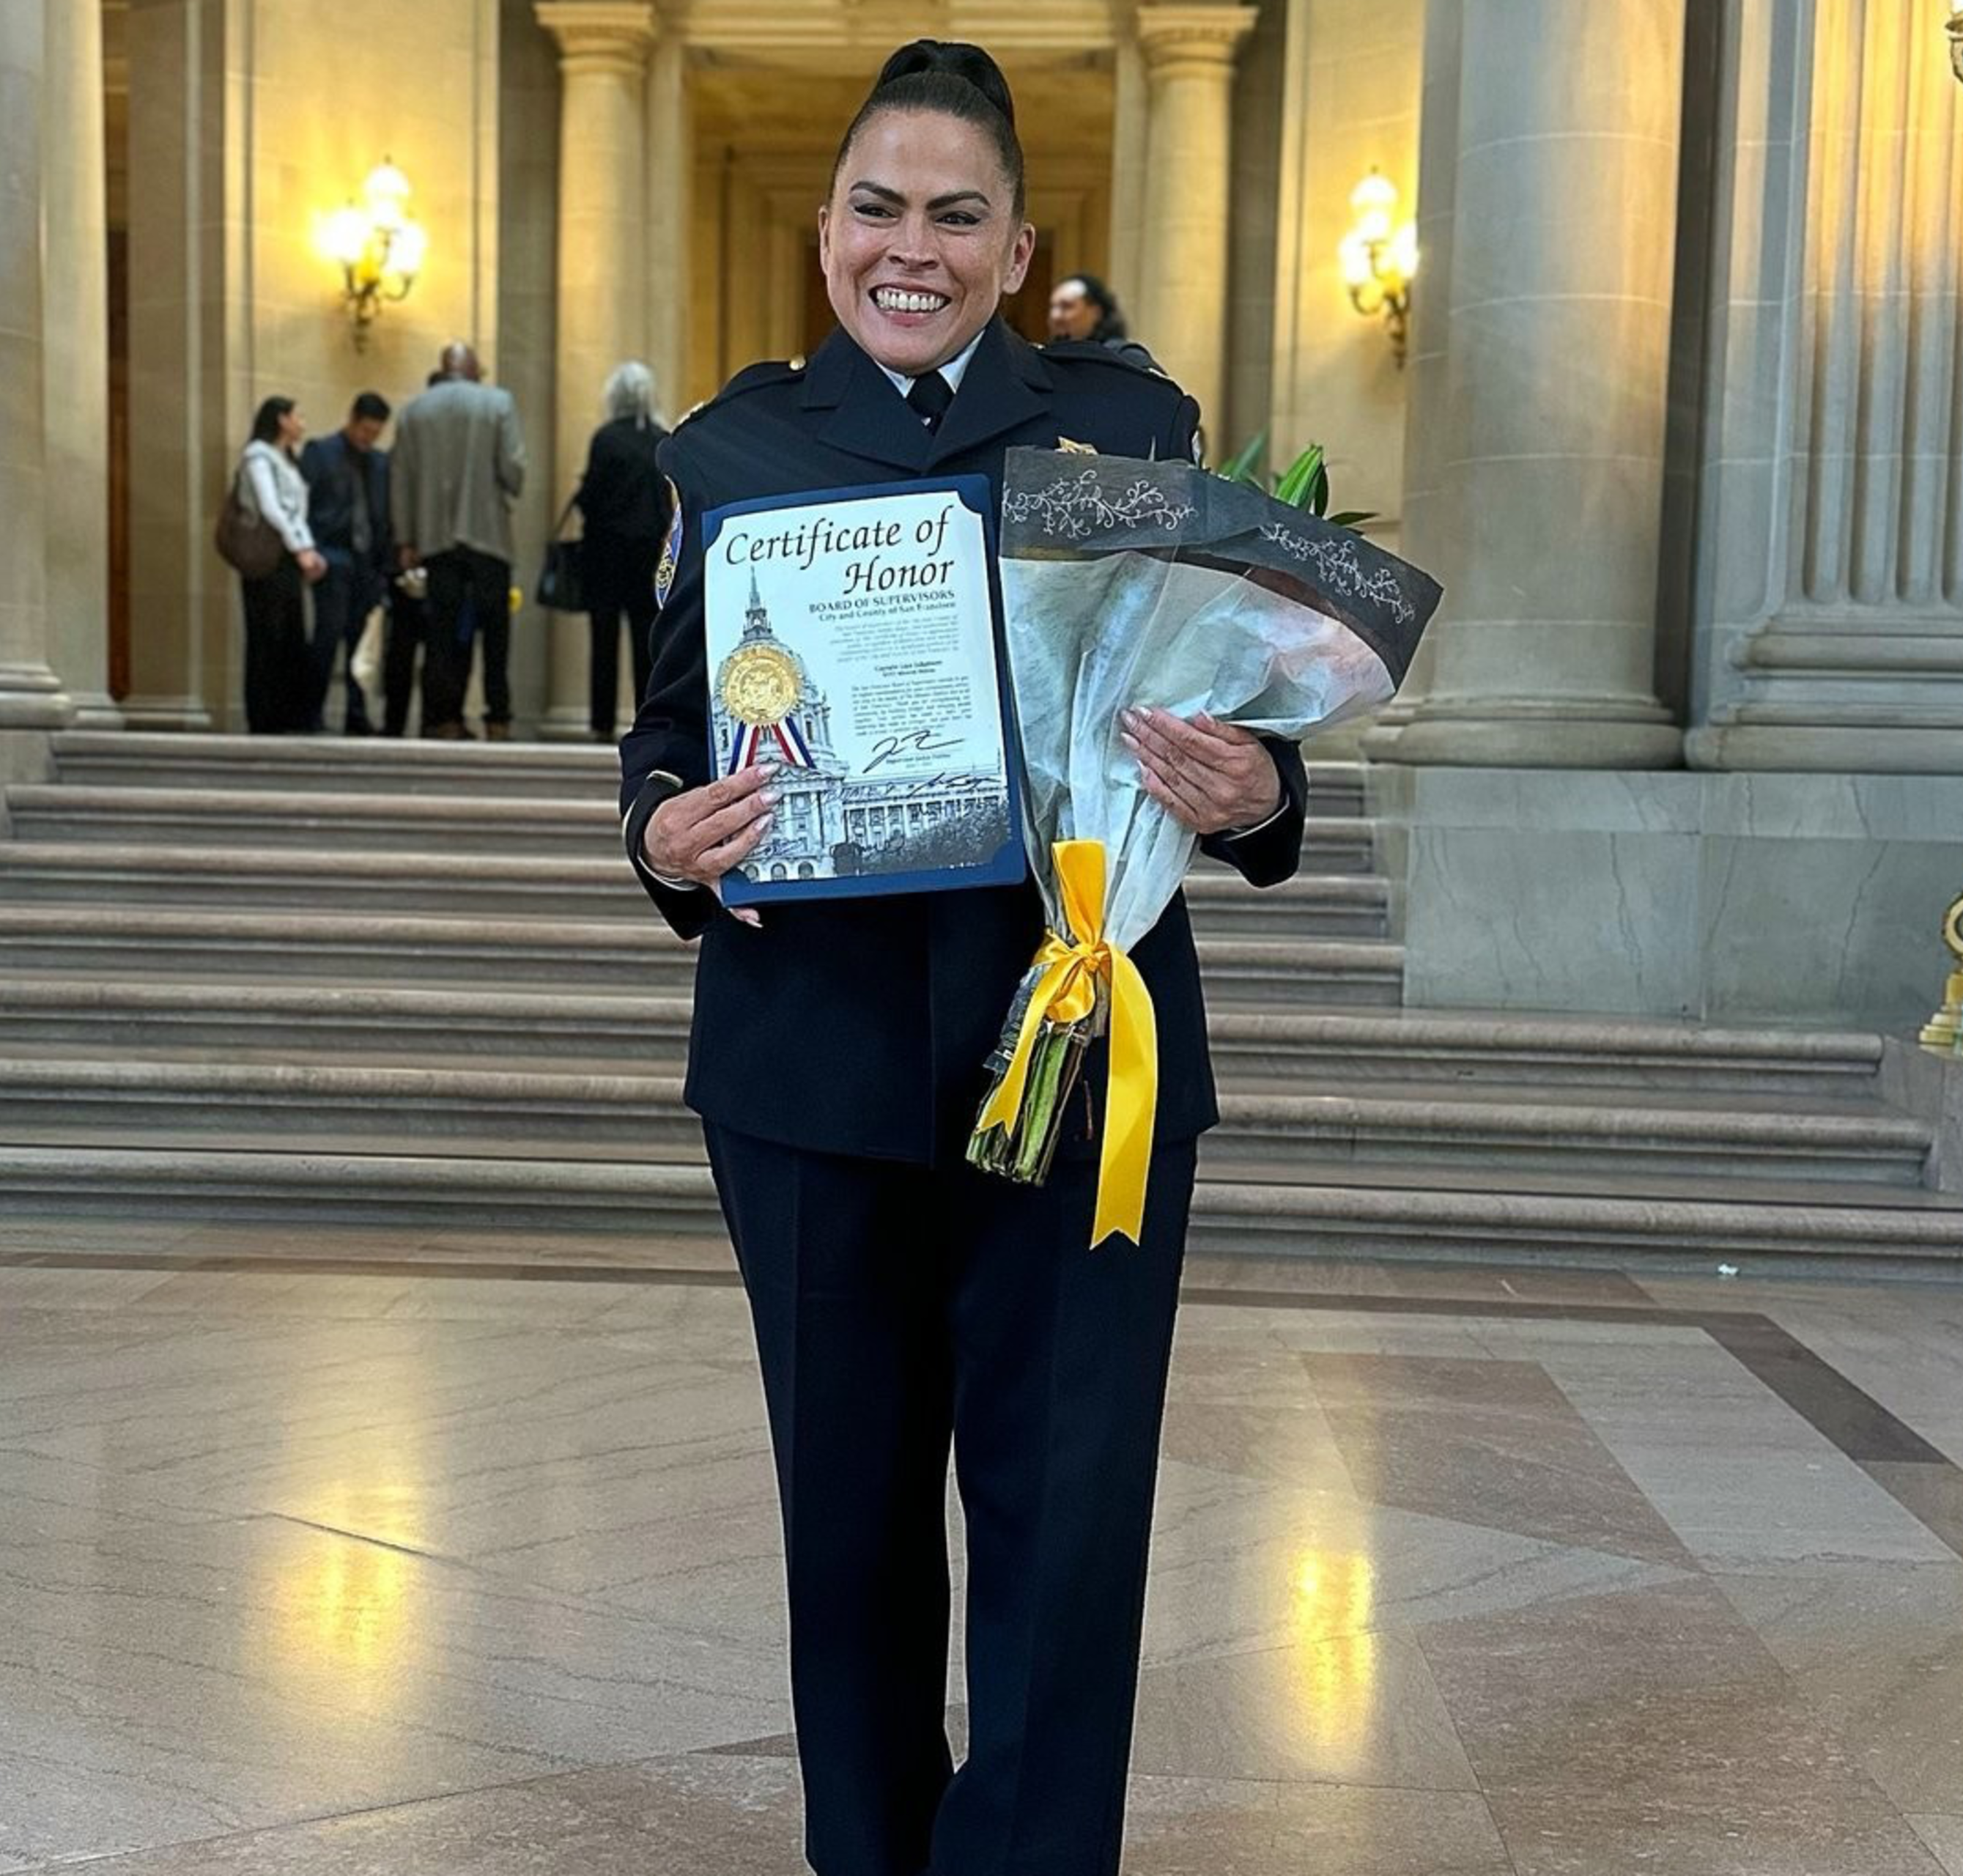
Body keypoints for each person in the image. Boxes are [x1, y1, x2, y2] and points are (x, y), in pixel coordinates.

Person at [618, 43, 1306, 1876]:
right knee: (843, 1525)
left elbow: (1217, 698)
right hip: (812, 1066)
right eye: (872, 208)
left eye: (953, 215)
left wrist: (1257, 787)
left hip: (1080, 1036)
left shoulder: (1129, 440)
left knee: (1065, 1514)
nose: (904, 247)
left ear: (1013, 249)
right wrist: (661, 829)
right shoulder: (727, 447)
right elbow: (668, 730)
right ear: (826, 231)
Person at [387, 341, 525, 740]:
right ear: (472, 369)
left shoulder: (414, 411)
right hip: (488, 536)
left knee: (441, 635)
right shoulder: (498, 404)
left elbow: (401, 481)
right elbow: (513, 472)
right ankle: (497, 719)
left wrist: (406, 538)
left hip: (434, 539)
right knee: (495, 634)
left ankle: (443, 718)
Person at [571, 361, 672, 743]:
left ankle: (601, 722)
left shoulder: (606, 438)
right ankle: (646, 724)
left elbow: (591, 498)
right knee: (647, 641)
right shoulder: (660, 439)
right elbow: (666, 502)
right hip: (648, 553)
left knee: (604, 638)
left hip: (605, 550)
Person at [296, 390, 393, 734]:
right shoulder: (320, 453)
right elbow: (301, 505)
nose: (369, 439)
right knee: (327, 636)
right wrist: (309, 549)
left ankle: (356, 714)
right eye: (365, 431)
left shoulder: (381, 464)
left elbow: (386, 515)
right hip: (332, 556)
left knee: (361, 643)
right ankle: (311, 712)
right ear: (351, 420)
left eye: (376, 434)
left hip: (368, 563)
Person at [235, 394, 327, 734]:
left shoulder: (286, 460)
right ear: (281, 420)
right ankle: (264, 715)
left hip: (288, 556)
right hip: (267, 557)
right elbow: (271, 508)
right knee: (266, 635)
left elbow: (294, 511)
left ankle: (288, 713)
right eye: (297, 416)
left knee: (291, 634)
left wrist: (307, 548)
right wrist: (299, 547)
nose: (302, 423)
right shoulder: (258, 456)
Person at [1046, 270, 1131, 349]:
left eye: (1067, 306)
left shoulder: (1123, 355)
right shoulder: (1046, 355)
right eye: (1053, 307)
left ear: (1096, 313)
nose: (1055, 316)